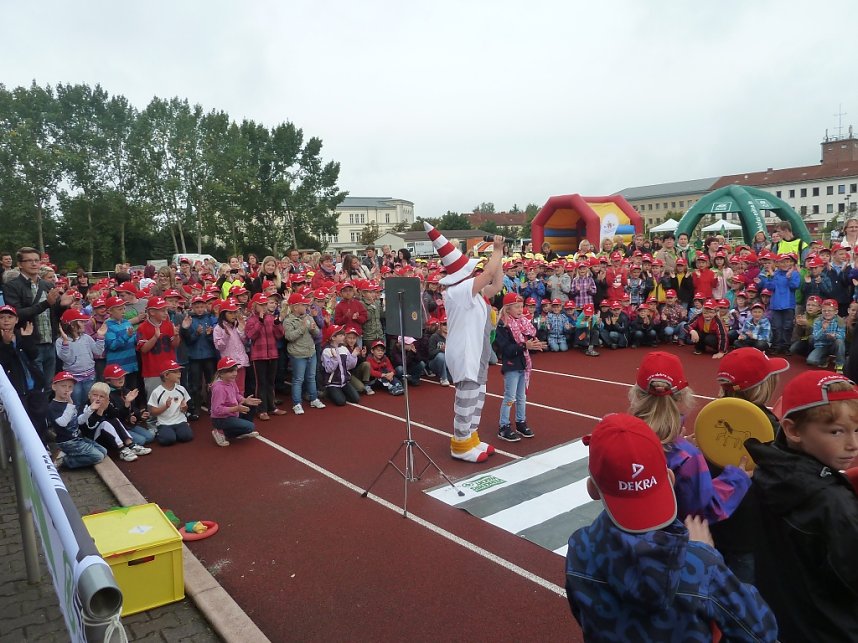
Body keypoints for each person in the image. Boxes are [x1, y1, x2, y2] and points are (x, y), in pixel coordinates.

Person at [565, 413, 778, 642]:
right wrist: (706, 552)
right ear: (669, 477)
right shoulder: (702, 564)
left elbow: (582, 614)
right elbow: (761, 631)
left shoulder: (579, 548)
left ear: (593, 489)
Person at [745, 371, 858, 642]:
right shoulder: (833, 504)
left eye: (857, 430)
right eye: (836, 432)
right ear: (793, 430)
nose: (852, 444)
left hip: (784, 619)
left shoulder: (767, 470)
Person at [629, 351, 752, 522]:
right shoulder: (687, 457)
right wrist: (738, 477)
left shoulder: (621, 437)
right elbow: (706, 508)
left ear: (636, 394)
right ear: (683, 397)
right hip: (670, 538)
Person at [426, 224, 505, 463]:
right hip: (465, 351)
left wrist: (499, 258)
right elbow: (488, 275)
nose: (474, 273)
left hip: (477, 349)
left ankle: (471, 436)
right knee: (467, 395)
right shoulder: (457, 291)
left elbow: (496, 284)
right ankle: (460, 443)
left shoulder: (473, 292)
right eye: (471, 271)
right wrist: (497, 250)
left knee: (478, 394)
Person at [711, 348, 787, 583]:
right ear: (761, 386)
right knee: (747, 593)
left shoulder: (710, 417)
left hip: (716, 522)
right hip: (752, 529)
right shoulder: (769, 425)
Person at [4, 247, 74, 378]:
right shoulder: (12, 286)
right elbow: (16, 314)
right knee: (34, 388)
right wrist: (46, 303)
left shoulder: (47, 285)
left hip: (49, 342)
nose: (34, 263)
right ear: (20, 264)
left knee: (48, 386)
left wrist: (62, 306)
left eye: (37, 260)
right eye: (29, 260)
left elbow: (53, 316)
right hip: (29, 344)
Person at [494, 293, 546, 442]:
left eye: (521, 306)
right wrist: (525, 345)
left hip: (523, 363)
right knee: (509, 397)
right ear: (508, 308)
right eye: (516, 307)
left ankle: (520, 422)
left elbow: (530, 339)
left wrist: (535, 345)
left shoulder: (523, 322)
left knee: (522, 396)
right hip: (512, 365)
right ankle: (503, 426)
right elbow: (506, 349)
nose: (520, 309)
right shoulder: (503, 325)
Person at [48, 371, 108, 469]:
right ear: (54, 387)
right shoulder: (53, 406)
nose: (67, 390)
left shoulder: (69, 403)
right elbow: (62, 423)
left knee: (104, 452)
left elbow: (79, 421)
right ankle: (63, 460)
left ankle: (66, 453)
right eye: (63, 386)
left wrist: (90, 409)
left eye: (70, 387)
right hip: (66, 442)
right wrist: (70, 405)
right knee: (98, 456)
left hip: (77, 438)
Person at [79, 382, 151, 462]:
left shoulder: (107, 404)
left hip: (105, 437)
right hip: (91, 438)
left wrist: (127, 403)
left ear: (107, 398)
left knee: (114, 419)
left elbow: (119, 416)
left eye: (102, 396)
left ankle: (131, 445)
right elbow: (89, 426)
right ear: (89, 395)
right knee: (105, 423)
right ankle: (122, 450)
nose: (98, 398)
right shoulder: (86, 407)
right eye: (95, 395)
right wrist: (100, 411)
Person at [283, 292, 325, 415]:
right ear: (295, 307)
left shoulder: (308, 317)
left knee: (311, 377)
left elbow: (317, 333)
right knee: (298, 379)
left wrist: (313, 329)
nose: (306, 307)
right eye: (303, 305)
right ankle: (297, 403)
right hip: (298, 354)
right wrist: (302, 328)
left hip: (310, 351)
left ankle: (314, 398)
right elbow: (289, 336)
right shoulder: (288, 320)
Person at [245, 293, 286, 420]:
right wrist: (260, 322)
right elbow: (251, 336)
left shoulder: (270, 318)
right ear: (255, 305)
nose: (264, 307)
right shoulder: (251, 320)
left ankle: (272, 406)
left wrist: (278, 322)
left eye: (265, 304)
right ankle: (261, 409)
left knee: (270, 382)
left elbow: (279, 334)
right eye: (261, 304)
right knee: (260, 383)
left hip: (272, 354)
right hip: (258, 356)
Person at [209, 356, 262, 447]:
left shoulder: (231, 381)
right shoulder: (219, 388)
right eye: (231, 371)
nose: (235, 373)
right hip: (221, 419)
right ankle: (220, 431)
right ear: (221, 374)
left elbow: (237, 395)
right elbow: (217, 409)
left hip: (232, 414)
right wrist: (236, 408)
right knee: (250, 427)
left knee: (251, 407)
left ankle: (234, 432)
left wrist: (245, 400)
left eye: (235, 370)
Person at [146, 360, 193, 446]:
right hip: (164, 423)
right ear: (166, 375)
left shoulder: (181, 389)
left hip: (180, 421)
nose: (179, 373)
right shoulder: (157, 392)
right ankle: (163, 431)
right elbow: (153, 412)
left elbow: (185, 409)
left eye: (179, 371)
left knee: (187, 436)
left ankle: (180, 430)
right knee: (168, 440)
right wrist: (165, 407)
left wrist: (184, 407)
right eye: (175, 372)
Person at [320, 324, 361, 406]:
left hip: (344, 382)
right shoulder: (326, 351)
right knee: (341, 402)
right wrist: (335, 359)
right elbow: (329, 369)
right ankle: (328, 391)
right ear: (333, 338)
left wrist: (353, 356)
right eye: (341, 335)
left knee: (356, 399)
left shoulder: (343, 348)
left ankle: (339, 392)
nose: (344, 336)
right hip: (332, 382)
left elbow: (349, 366)